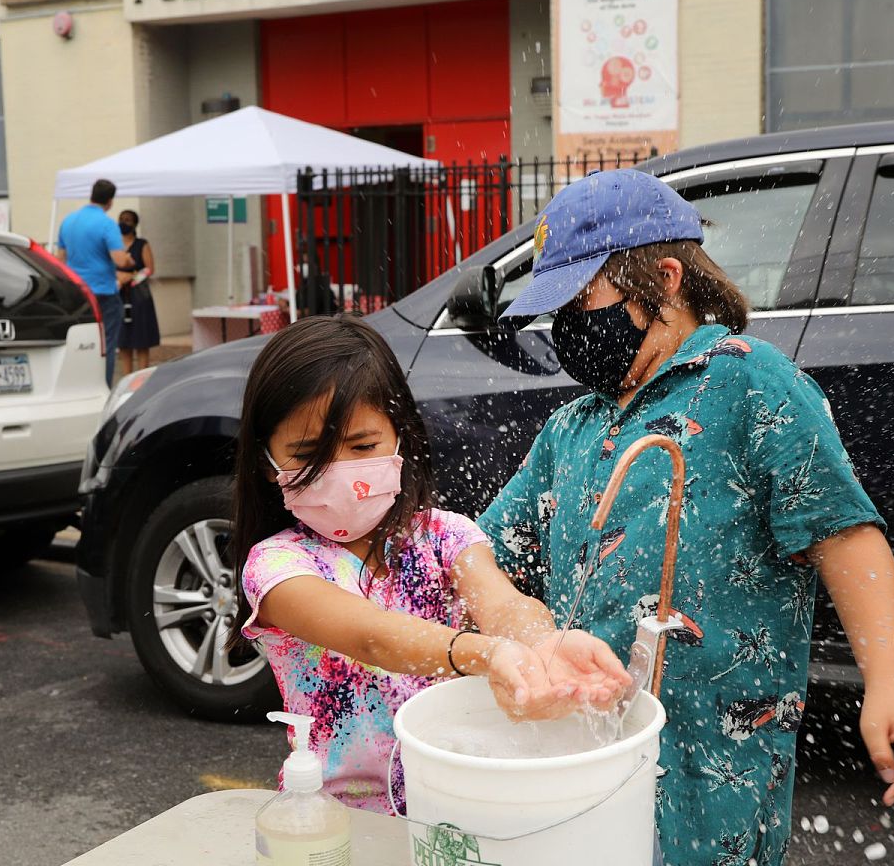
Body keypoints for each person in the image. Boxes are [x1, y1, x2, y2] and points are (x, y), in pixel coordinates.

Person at [480, 169, 894, 865]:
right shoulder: (571, 428)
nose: (568, 328)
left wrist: (890, 687)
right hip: (587, 757)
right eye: (559, 310)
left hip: (716, 762)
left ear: (664, 278)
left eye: (583, 301)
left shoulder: (748, 382)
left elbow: (843, 533)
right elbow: (481, 555)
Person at [225, 314, 629, 813]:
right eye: (310, 454)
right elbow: (373, 636)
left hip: (447, 804)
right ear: (268, 462)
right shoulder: (277, 568)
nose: (342, 471)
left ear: (401, 436)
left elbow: (502, 603)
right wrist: (488, 655)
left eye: (363, 446)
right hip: (338, 819)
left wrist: (542, 645)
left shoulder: (442, 535)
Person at [56, 179, 126, 386]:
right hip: (103, 291)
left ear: (92, 195)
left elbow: (60, 259)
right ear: (110, 201)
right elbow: (119, 260)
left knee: (81, 343)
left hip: (76, 293)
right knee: (107, 344)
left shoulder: (68, 221)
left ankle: (79, 384)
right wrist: (129, 259)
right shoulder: (107, 223)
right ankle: (103, 388)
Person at [115, 209, 160, 375]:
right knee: (123, 340)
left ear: (134, 224)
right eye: (121, 219)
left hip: (138, 296)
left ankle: (142, 378)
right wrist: (119, 277)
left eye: (127, 220)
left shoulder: (142, 244)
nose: (123, 222)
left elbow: (150, 269)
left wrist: (132, 278)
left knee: (141, 339)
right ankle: (127, 378)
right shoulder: (115, 245)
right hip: (119, 293)